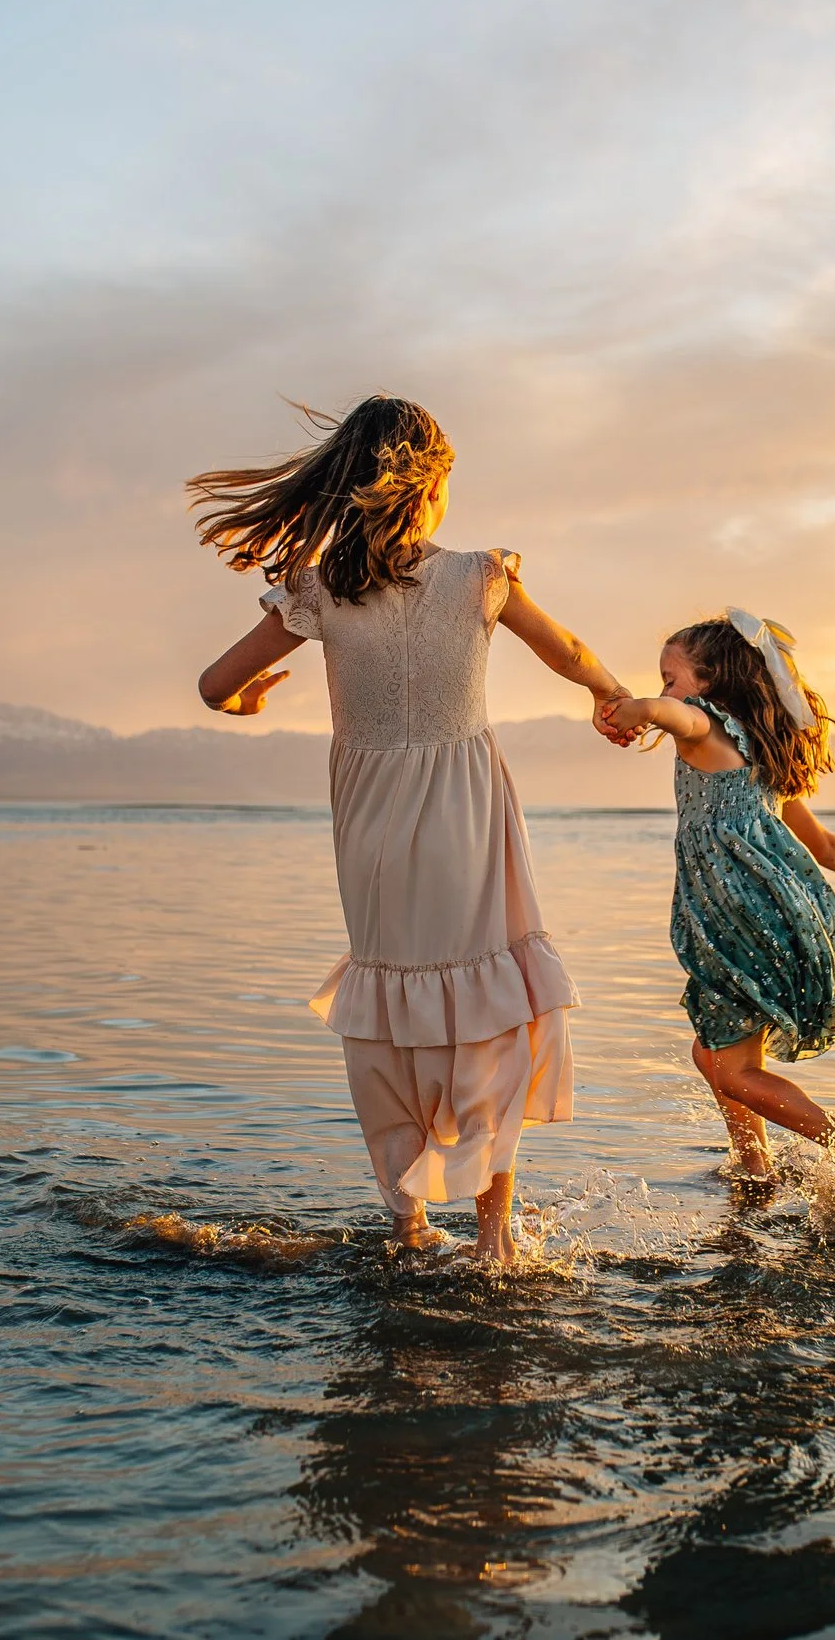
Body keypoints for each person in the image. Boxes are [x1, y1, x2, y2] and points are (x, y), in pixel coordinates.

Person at [191, 395, 631, 1264]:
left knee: (391, 1003)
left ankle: (406, 1222)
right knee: (487, 1010)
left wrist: (243, 701)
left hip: (371, 828)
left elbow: (212, 684)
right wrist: (608, 697)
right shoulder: (479, 575)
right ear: (425, 489)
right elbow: (570, 649)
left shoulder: (316, 591)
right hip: (464, 812)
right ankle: (495, 1232)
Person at [597, 612, 835, 1175]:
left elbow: (671, 714)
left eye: (670, 678)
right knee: (711, 1050)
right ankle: (753, 1164)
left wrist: (640, 710)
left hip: (733, 921)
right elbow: (823, 845)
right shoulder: (764, 760)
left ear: (710, 685)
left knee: (732, 1070)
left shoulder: (699, 725)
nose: (663, 690)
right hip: (778, 918)